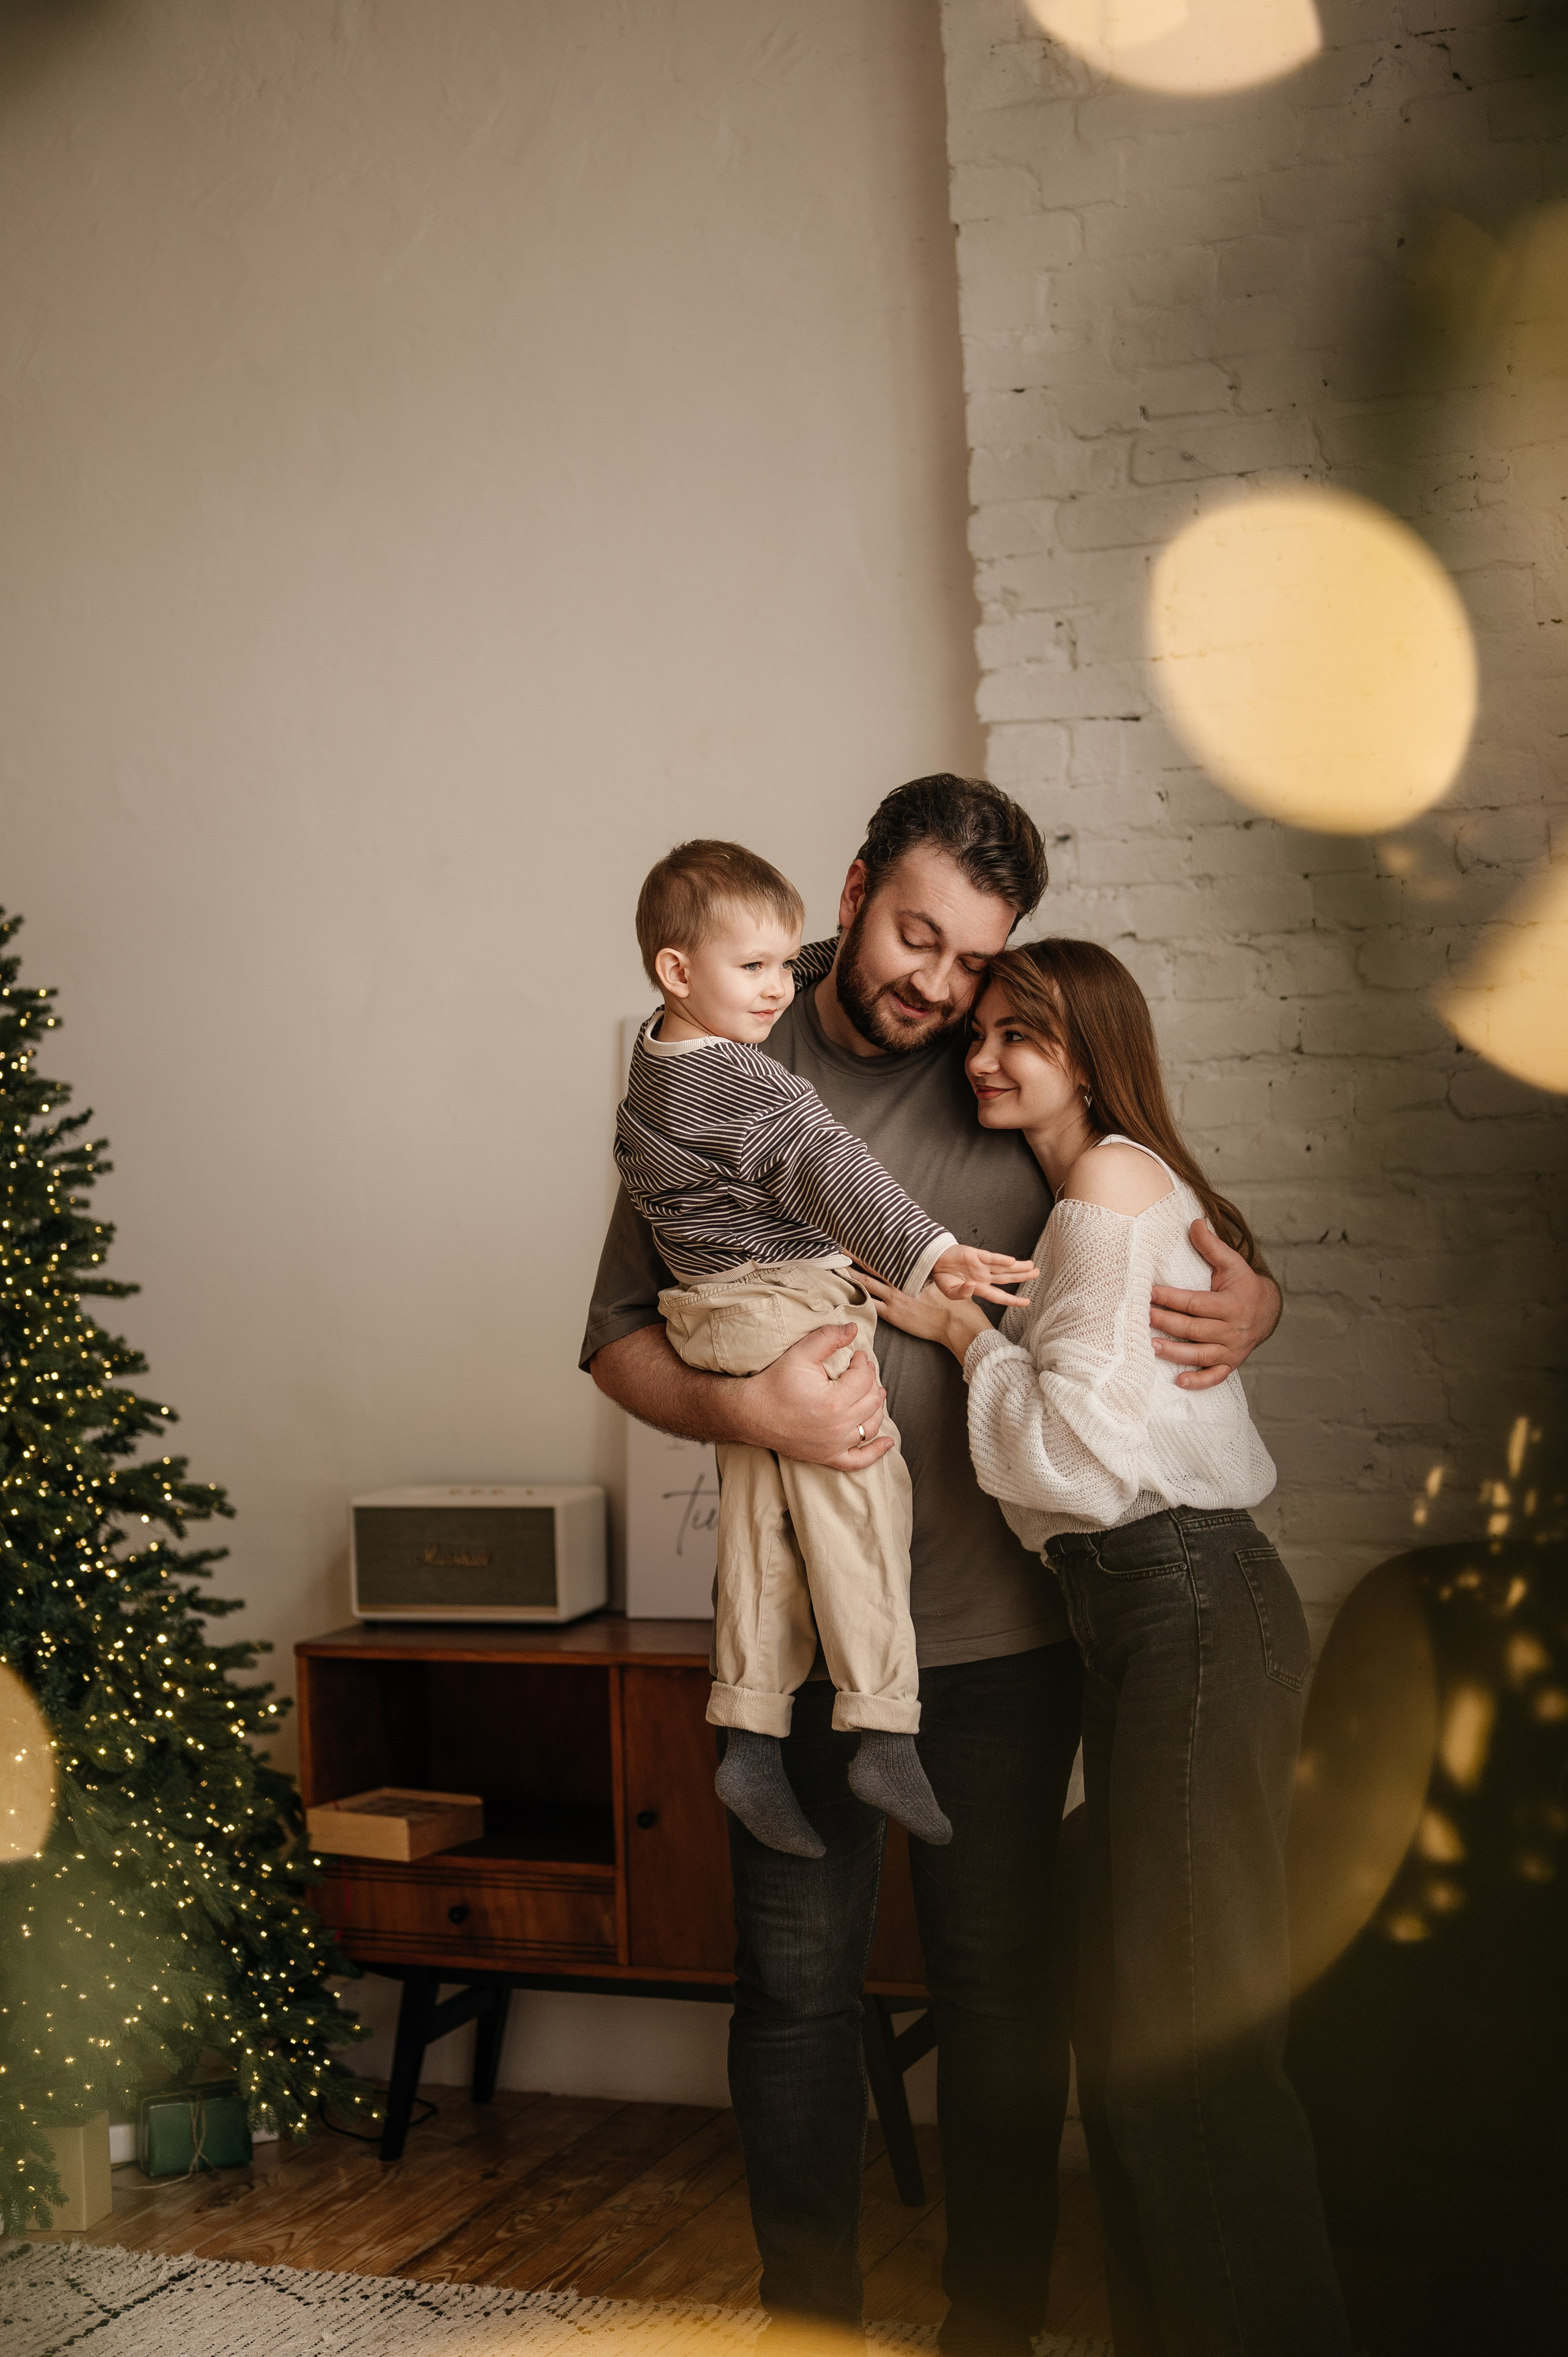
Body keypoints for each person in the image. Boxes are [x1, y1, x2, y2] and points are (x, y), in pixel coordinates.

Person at [580, 776, 1281, 2355]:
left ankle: (992, 2329)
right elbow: (617, 1337)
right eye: (916, 937)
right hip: (806, 1656)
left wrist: (1257, 1298)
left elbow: (1155, 1209)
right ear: (848, 895)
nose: (941, 987)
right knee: (793, 1995)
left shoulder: (1007, 1065)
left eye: (972, 959)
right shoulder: (725, 1055)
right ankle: (807, 2325)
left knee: (1001, 1998)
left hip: (1003, 1643)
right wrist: (745, 1405)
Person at [861, 936, 1351, 2357]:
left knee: (1192, 2058)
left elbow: (1071, 1462)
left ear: (1091, 1054)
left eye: (1022, 1035)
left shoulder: (1102, 1191)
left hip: (1183, 1599)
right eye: (978, 1033)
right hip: (1150, 1613)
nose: (984, 1057)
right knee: (1145, 2051)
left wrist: (964, 1337)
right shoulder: (1102, 1191)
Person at [616, 837, 1036, 1859]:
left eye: (972, 961)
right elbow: (828, 1161)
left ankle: (746, 1734)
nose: (775, 986)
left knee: (762, 1530)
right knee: (861, 1493)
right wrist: (931, 1253)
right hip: (776, 1300)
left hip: (717, 1309)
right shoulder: (750, 1083)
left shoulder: (661, 1046)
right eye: (915, 937)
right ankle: (883, 1728)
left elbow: (767, 968)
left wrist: (795, 960)